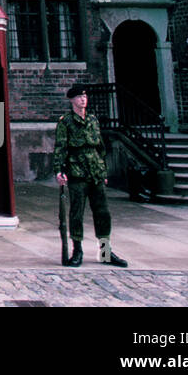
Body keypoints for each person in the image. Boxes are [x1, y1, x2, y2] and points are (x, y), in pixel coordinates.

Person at [53, 83, 128, 268]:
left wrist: (103, 171)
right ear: (72, 100)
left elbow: (100, 148)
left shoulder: (93, 120)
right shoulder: (66, 122)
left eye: (85, 97)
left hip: (95, 173)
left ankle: (105, 252)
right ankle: (77, 250)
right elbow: (60, 148)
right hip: (77, 173)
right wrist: (59, 171)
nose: (83, 100)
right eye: (79, 97)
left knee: (103, 213)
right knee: (76, 214)